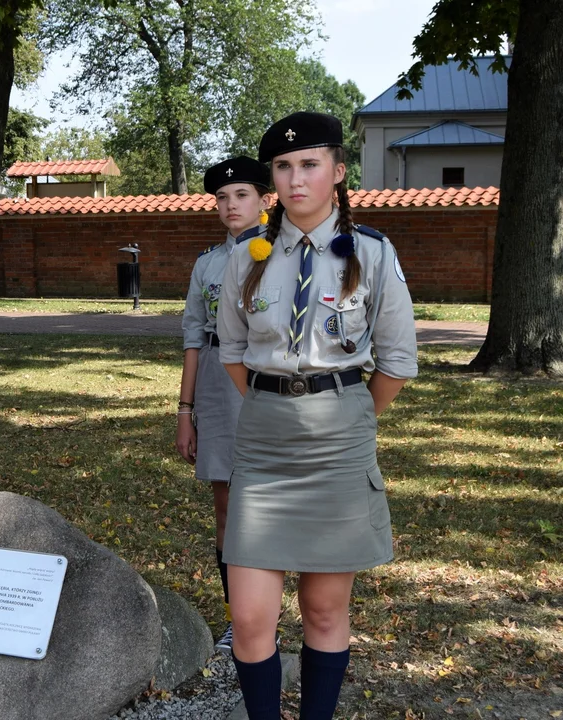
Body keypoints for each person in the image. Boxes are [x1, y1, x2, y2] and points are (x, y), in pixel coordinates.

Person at [216, 112, 417, 719]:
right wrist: (274, 403)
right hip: (264, 443)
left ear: (337, 171)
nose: (295, 179)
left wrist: (346, 411)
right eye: (282, 167)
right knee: (250, 616)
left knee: (325, 611)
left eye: (308, 165)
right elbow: (231, 352)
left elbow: (398, 361)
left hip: (340, 440)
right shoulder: (247, 256)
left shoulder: (374, 254)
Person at [177, 156, 270, 654]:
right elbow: (194, 334)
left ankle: (266, 612)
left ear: (263, 200)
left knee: (268, 505)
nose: (230, 205)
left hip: (268, 379)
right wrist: (184, 409)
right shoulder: (208, 263)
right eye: (221, 198)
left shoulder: (281, 254)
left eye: (241, 196)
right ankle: (241, 618)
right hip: (216, 382)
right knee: (227, 507)